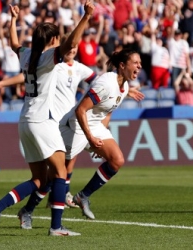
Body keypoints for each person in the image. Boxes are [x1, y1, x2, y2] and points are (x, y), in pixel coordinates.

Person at [0, 1, 95, 236]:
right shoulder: (47, 58)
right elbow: (72, 43)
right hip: (43, 122)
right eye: (57, 38)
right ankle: (56, 227)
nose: (59, 41)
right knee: (61, 174)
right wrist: (85, 17)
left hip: (25, 121)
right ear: (52, 41)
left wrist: (13, 20)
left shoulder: (26, 55)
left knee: (39, 180)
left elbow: (14, 43)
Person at [61, 48, 142, 220]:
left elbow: (107, 113)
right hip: (76, 124)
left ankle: (83, 196)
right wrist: (90, 137)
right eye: (135, 62)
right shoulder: (105, 83)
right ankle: (28, 210)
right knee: (53, 176)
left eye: (140, 63)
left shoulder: (124, 85)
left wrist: (99, 142)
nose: (139, 66)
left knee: (117, 160)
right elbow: (81, 110)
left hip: (94, 125)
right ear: (122, 65)